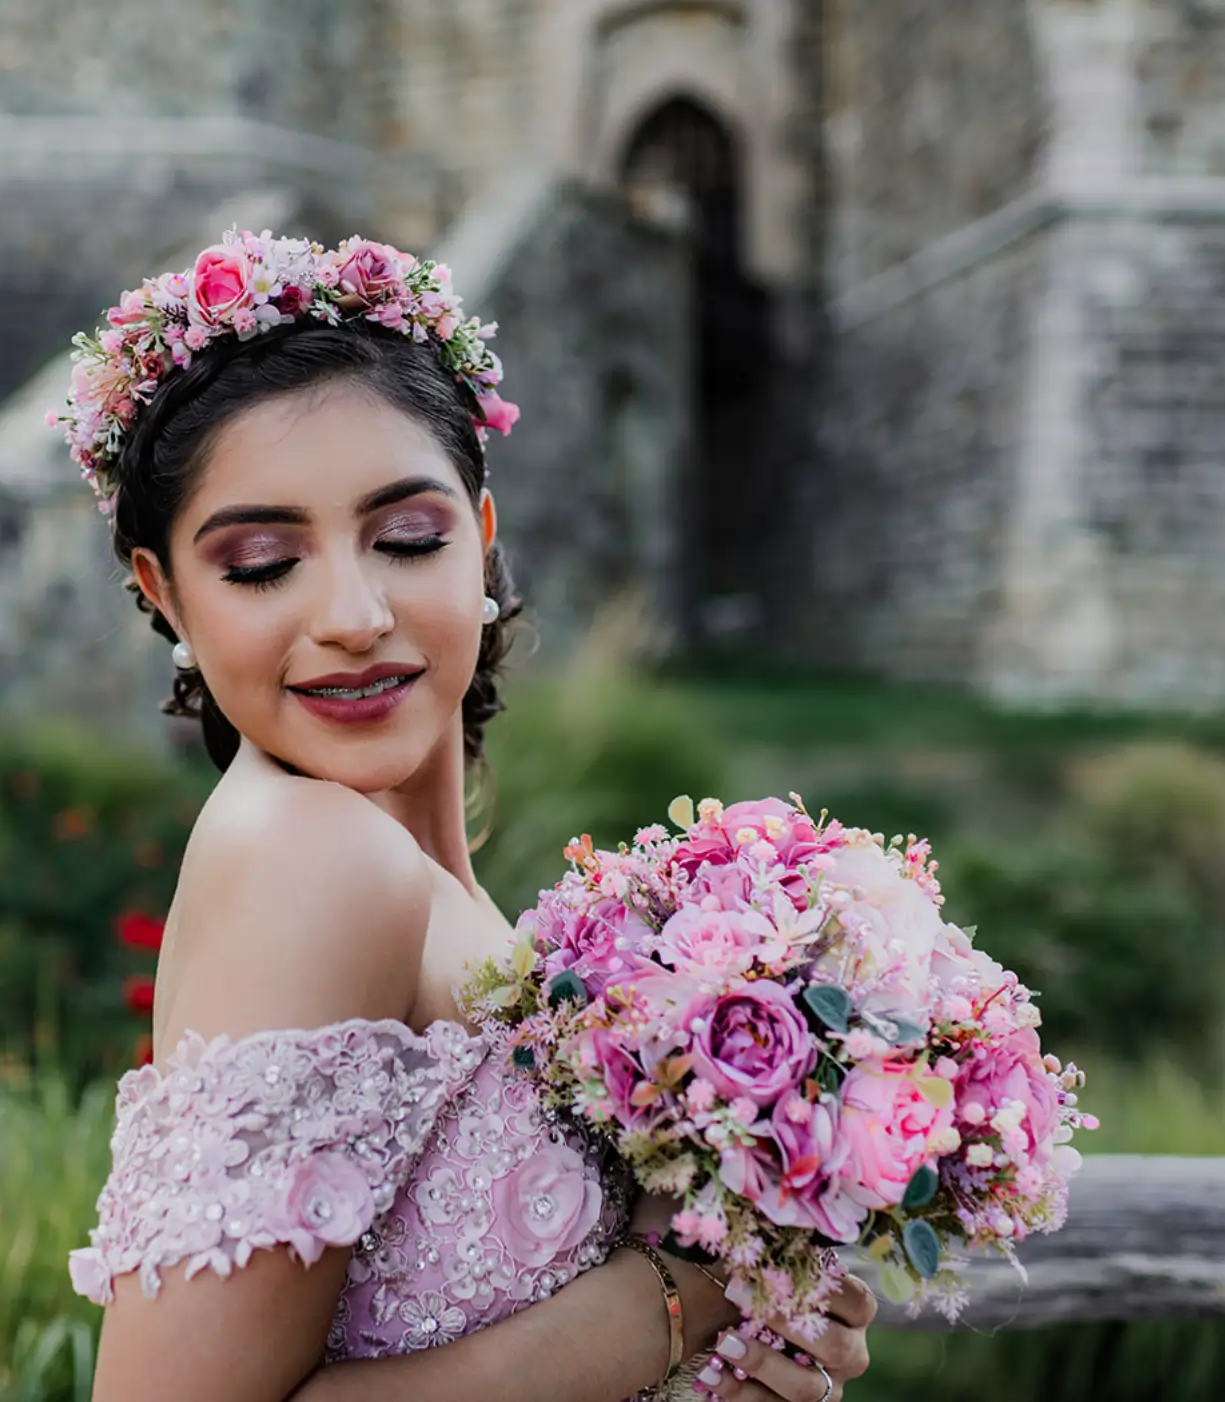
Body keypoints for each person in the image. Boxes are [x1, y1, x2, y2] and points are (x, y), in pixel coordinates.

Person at [56, 231, 876, 1401]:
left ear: (481, 541)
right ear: (163, 590)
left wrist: (761, 1332)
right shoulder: (307, 856)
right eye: (259, 562)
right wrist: (678, 1306)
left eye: (405, 538)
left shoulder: (444, 891)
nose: (351, 612)